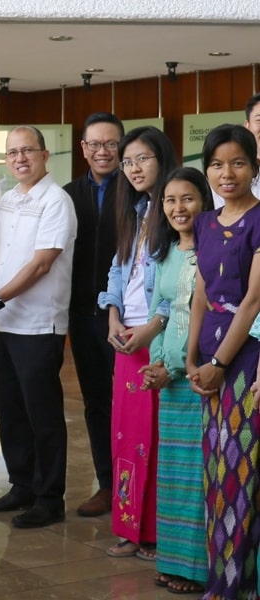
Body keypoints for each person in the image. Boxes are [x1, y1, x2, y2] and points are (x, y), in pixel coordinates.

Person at [0, 125, 77, 528]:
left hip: (39, 325)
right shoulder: (9, 198)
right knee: (9, 409)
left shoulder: (57, 202)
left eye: (28, 151)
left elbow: (42, 263)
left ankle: (49, 498)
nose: (20, 159)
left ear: (45, 155)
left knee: (41, 413)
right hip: (5, 323)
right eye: (12, 153)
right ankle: (22, 485)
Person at [186, 124, 260, 600]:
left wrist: (216, 361)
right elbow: (201, 292)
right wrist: (193, 357)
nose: (225, 172)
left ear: (254, 166)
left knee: (241, 476)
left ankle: (237, 588)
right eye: (216, 163)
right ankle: (220, 580)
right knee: (216, 475)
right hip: (209, 361)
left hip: (245, 360)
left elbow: (254, 300)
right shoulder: (205, 222)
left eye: (237, 162)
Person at [98, 126, 177, 559]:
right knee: (126, 436)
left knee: (157, 437)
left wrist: (151, 328)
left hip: (159, 338)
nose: (133, 168)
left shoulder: (177, 209)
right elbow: (118, 269)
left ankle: (154, 531)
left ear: (162, 159)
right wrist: (112, 313)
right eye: (128, 162)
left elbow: (183, 280)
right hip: (126, 336)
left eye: (142, 158)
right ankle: (129, 527)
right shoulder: (136, 211)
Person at [139, 167, 213, 594]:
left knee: (198, 476)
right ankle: (172, 561)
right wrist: (155, 364)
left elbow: (209, 318)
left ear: (203, 201)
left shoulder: (213, 251)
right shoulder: (163, 254)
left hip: (202, 376)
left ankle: (198, 567)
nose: (178, 207)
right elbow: (160, 313)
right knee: (173, 478)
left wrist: (179, 366)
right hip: (169, 383)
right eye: (169, 200)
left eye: (187, 198)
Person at [63, 112, 123, 517]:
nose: (102, 152)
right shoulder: (65, 195)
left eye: (111, 144)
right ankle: (107, 484)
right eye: (94, 144)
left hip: (130, 318)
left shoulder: (139, 190)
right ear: (83, 148)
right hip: (83, 315)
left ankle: (139, 487)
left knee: (135, 400)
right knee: (96, 401)